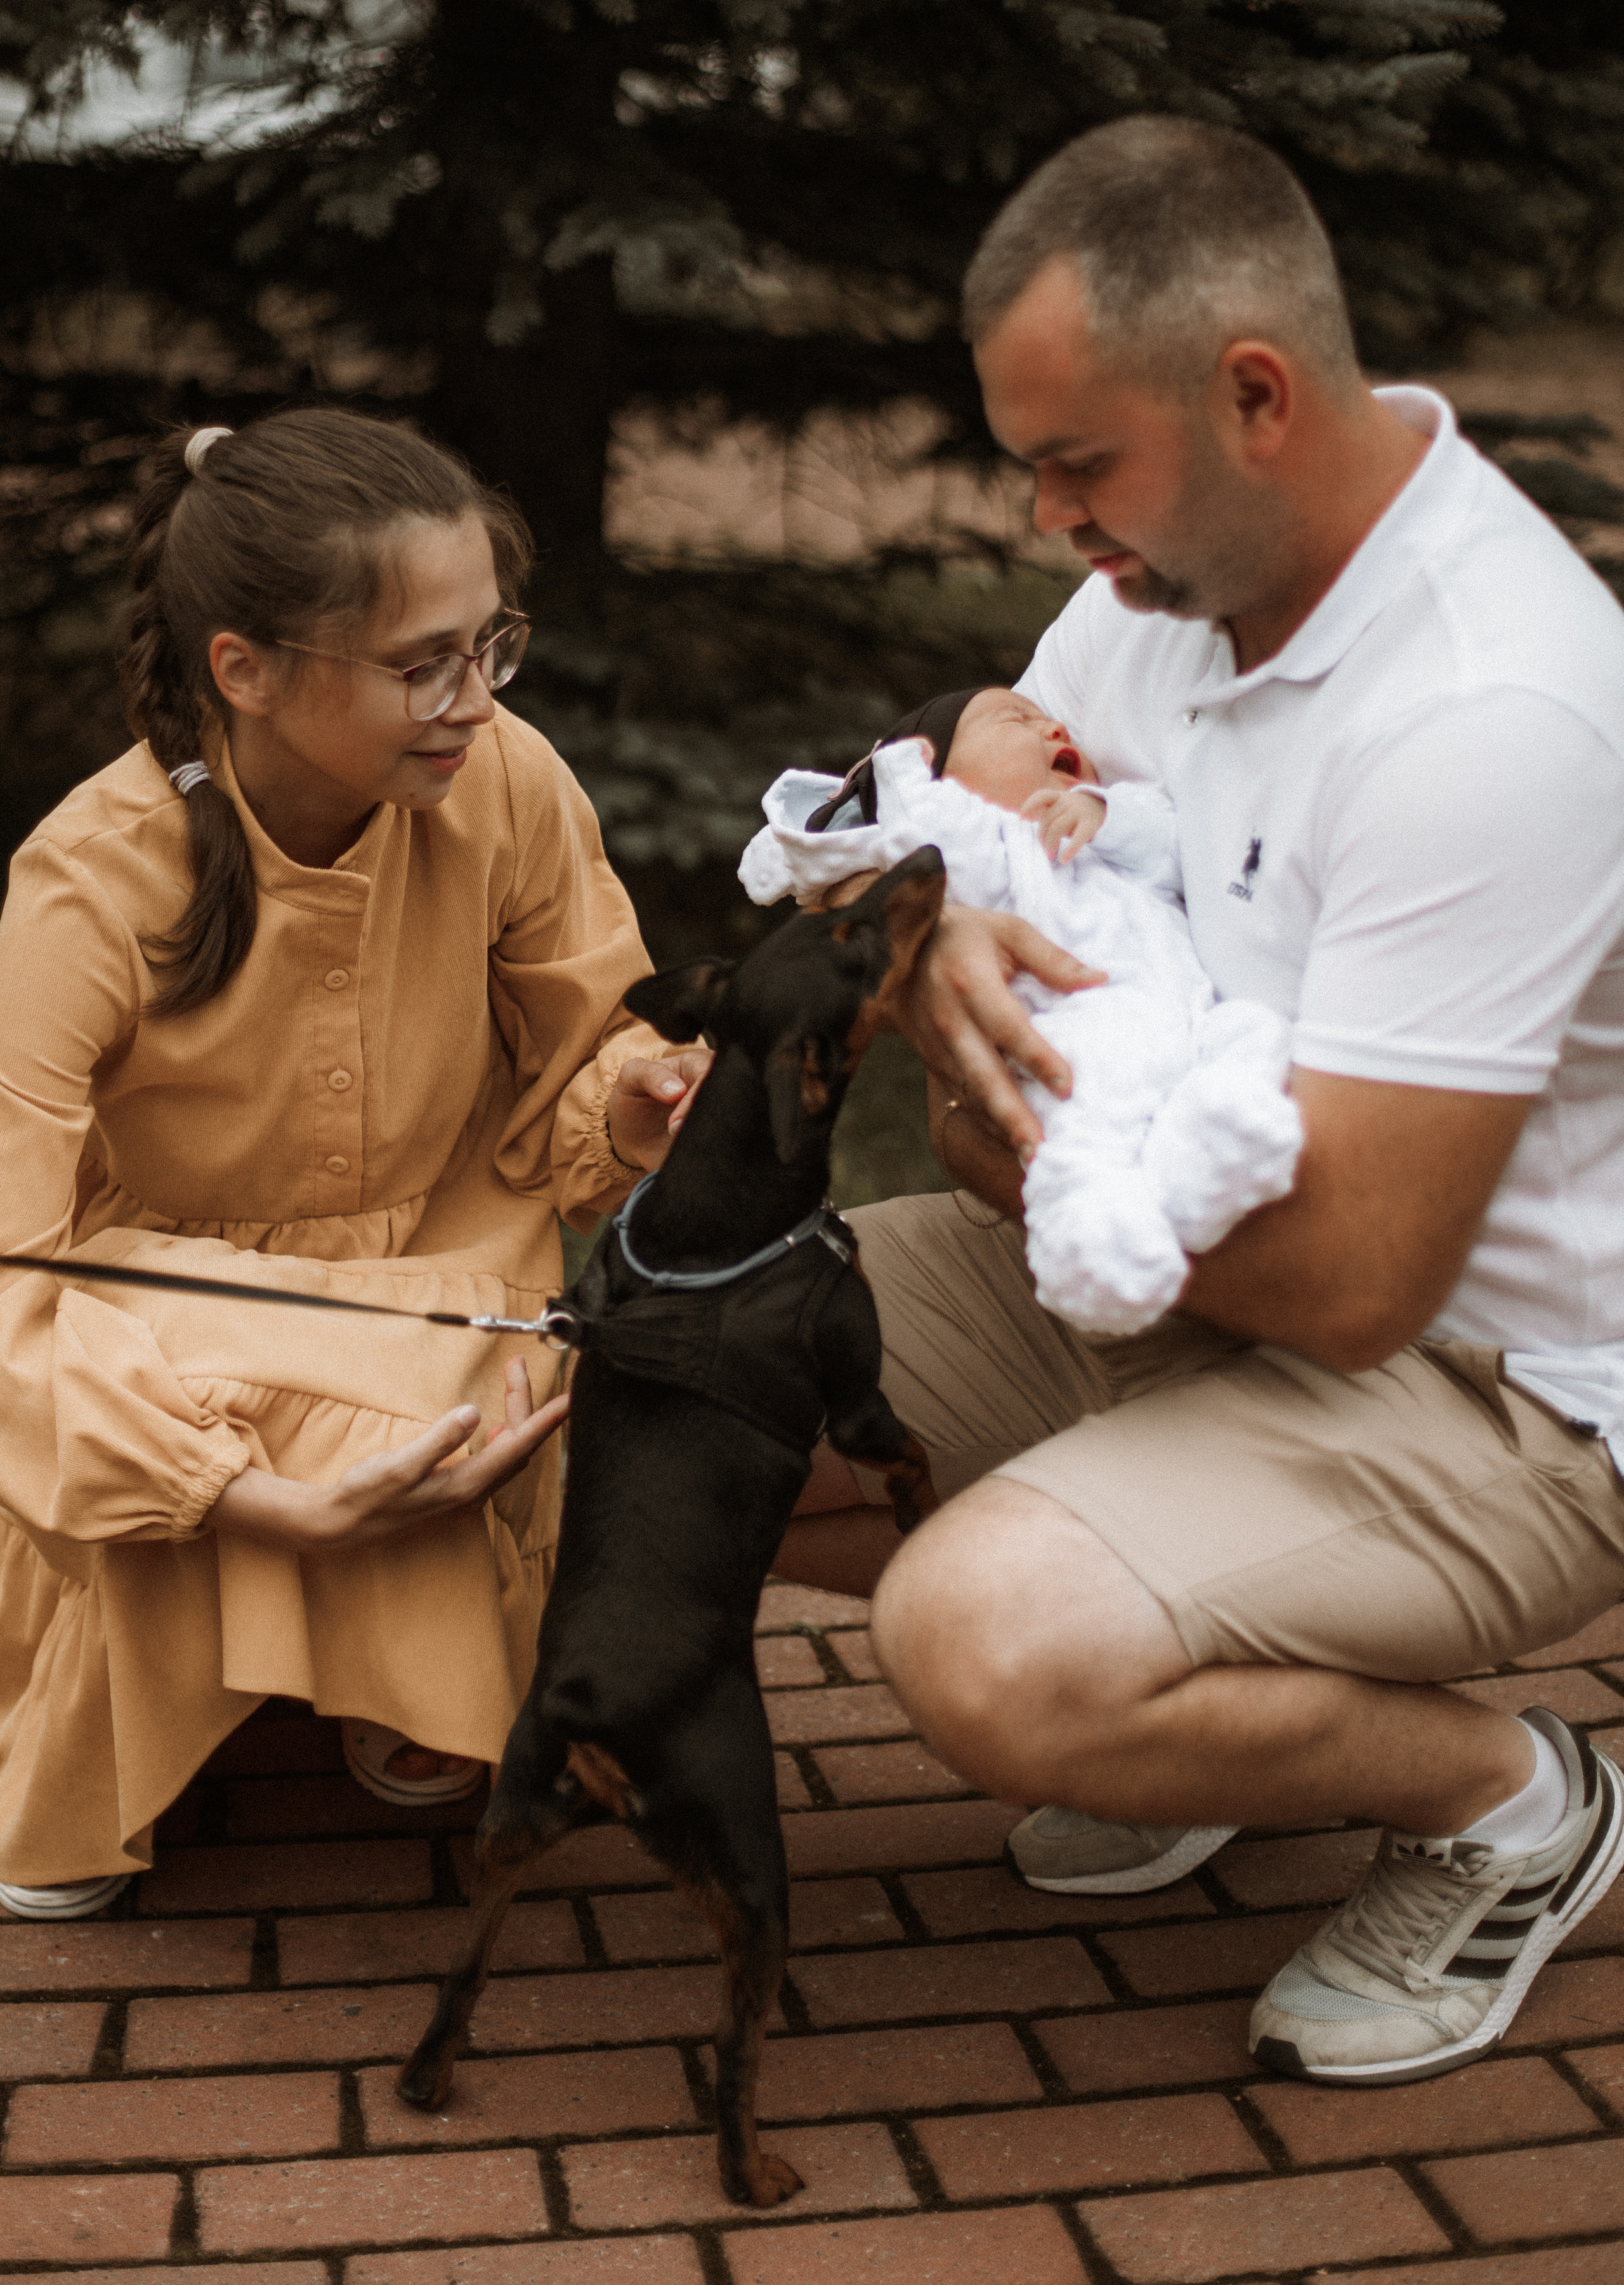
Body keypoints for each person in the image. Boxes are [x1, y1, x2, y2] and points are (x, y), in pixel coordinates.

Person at [776, 115, 1624, 2086]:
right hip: (1136, 1266)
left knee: (982, 1643)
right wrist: (931, 939)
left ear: (1252, 396)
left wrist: (990, 1137)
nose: (1053, 525)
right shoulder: (1149, 593)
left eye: (1079, 467)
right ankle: (1196, 1686)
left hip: (1484, 1387)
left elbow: (1349, 1284)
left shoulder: (1494, 710)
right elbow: (967, 854)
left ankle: (1514, 1802)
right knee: (663, 1374)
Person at [0, 409, 698, 1919]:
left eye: (488, 643)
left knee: (479, 1377)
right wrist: (229, 1491)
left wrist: (638, 1102)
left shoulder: (503, 779)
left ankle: (383, 1664)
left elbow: (589, 1049)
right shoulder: (90, 880)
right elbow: (12, 1270)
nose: (472, 700)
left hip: (442, 1264)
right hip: (166, 1303)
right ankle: (95, 1750)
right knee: (398, 1389)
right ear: (243, 669)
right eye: (421, 663)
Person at [740, 687, 1302, 1335]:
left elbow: (1174, 844)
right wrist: (906, 787)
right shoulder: (990, 853)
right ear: (936, 778)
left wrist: (1103, 811)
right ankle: (1097, 1257)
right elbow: (932, 838)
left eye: (1049, 719)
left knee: (1252, 1039)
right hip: (1077, 1046)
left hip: (1192, 1020)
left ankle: (1212, 1160)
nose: (1052, 726)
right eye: (1017, 721)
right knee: (1085, 1140)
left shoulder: (1107, 834)